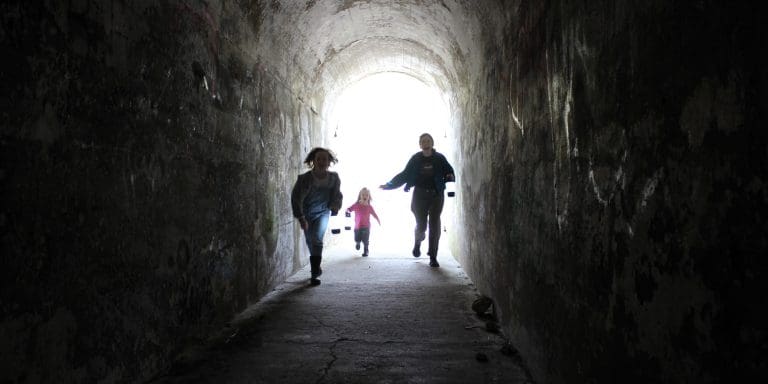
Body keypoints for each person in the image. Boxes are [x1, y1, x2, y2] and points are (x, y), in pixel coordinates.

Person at [379, 133, 455, 267]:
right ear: (420, 145)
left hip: (436, 195)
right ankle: (417, 242)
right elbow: (404, 174)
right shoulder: (415, 159)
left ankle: (433, 256)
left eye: (428, 140)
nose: (426, 142)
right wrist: (390, 185)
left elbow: (449, 171)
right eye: (423, 141)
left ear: (432, 143)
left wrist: (449, 182)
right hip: (419, 194)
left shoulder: (439, 158)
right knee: (421, 225)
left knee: (435, 224)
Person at [291, 147, 343, 285]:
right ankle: (316, 264)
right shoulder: (305, 179)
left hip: (323, 213)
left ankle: (314, 273)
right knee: (310, 241)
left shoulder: (334, 178)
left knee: (317, 239)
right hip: (307, 214)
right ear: (313, 161)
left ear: (328, 162)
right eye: (318, 159)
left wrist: (335, 206)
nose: (321, 161)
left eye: (324, 159)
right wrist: (301, 217)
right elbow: (296, 198)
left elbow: (337, 195)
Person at [345, 187, 381, 257]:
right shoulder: (356, 205)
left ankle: (366, 250)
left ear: (369, 197)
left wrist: (378, 220)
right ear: (360, 196)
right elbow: (349, 209)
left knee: (365, 240)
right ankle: (358, 242)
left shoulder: (370, 207)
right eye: (363, 195)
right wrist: (347, 210)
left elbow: (374, 214)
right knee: (356, 238)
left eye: (367, 195)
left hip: (366, 227)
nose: (365, 196)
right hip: (357, 226)